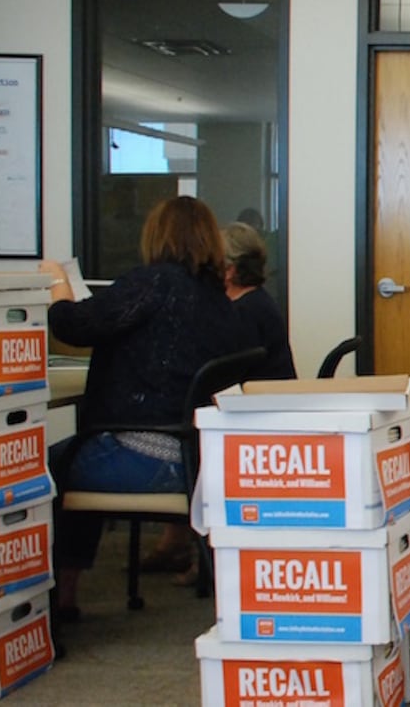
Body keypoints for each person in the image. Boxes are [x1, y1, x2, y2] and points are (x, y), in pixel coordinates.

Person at [40, 196, 254, 620]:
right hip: (198, 457)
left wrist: (56, 281)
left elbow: (73, 326)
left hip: (146, 456)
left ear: (156, 237)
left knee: (43, 470)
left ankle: (55, 599)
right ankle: (62, 596)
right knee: (78, 454)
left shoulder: (152, 283)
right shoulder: (218, 299)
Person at [223, 222, 297, 381]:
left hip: (262, 401)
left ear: (229, 270)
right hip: (273, 397)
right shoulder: (259, 301)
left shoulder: (243, 314)